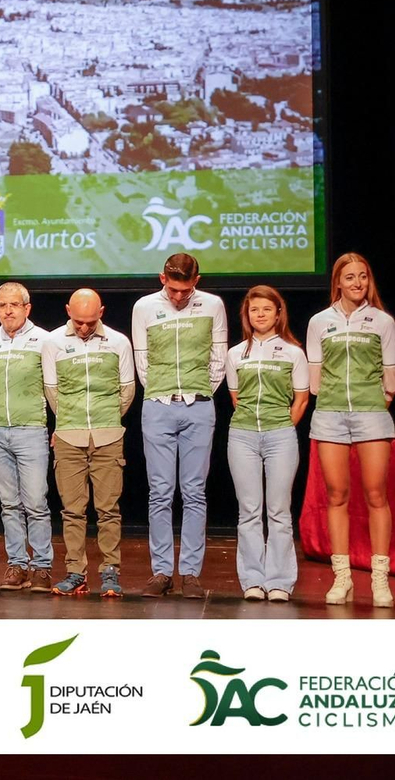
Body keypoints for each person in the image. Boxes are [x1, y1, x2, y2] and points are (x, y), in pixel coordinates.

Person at [307, 252, 395, 607]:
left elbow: (391, 377)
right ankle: (342, 578)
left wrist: (374, 402)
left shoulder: (382, 321)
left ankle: (380, 580)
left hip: (371, 414)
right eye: (350, 277)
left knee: (376, 494)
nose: (357, 283)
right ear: (338, 282)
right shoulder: (319, 321)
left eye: (362, 276)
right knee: (336, 495)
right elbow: (315, 377)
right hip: (329, 414)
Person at [131, 252, 228, 600]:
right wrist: (162, 393)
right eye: (172, 289)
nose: (178, 297)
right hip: (157, 406)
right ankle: (161, 570)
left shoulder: (212, 305)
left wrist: (198, 391)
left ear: (196, 282)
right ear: (162, 279)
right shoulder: (144, 307)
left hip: (199, 406)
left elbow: (219, 356)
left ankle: (189, 572)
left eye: (185, 291)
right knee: (159, 491)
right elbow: (142, 360)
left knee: (194, 491)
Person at [42, 288, 135, 599]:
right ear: (68, 310)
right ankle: (75, 573)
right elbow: (52, 390)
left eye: (90, 322)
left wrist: (106, 418)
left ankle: (111, 572)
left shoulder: (119, 342)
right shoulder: (53, 342)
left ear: (102, 313)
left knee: (108, 509)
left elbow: (126, 390)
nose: (84, 328)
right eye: (79, 321)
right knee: (72, 510)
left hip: (109, 435)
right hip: (69, 435)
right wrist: (70, 421)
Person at [225, 286, 309, 602]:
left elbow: (301, 399)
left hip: (281, 436)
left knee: (278, 510)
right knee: (249, 510)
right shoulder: (236, 354)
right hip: (243, 435)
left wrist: (282, 426)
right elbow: (236, 398)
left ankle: (279, 582)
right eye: (254, 310)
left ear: (278, 313)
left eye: (266, 309)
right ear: (247, 315)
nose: (260, 315)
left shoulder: (292, 352)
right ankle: (252, 580)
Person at [0, 282, 53, 592]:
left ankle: (42, 566)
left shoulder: (44, 340)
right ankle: (17, 564)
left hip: (31, 428)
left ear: (27, 308)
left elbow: (56, 386)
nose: (8, 310)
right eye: (2, 305)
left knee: (35, 502)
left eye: (14, 305)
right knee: (9, 504)